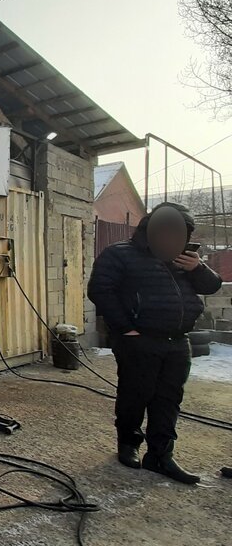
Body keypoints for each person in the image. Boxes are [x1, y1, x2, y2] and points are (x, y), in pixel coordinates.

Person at [88, 202, 222, 484]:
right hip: (139, 341)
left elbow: (212, 286)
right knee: (135, 395)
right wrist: (126, 329)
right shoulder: (120, 253)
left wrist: (198, 268)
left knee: (169, 400)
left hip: (177, 342)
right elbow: (100, 290)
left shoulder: (184, 259)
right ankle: (128, 444)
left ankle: (161, 456)